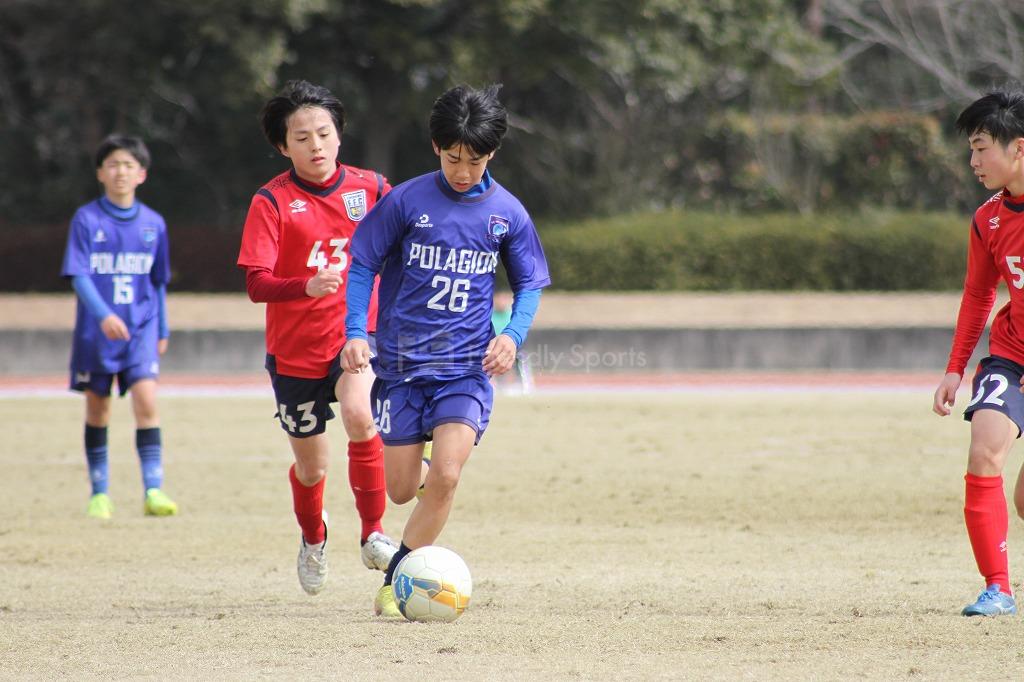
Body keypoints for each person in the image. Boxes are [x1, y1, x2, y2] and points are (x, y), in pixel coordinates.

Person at [341, 83, 551, 617]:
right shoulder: (406, 201)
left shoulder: (507, 213)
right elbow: (363, 265)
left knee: (448, 477)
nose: (463, 171)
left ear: (492, 153)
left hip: (465, 369)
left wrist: (512, 336)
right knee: (400, 490)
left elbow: (529, 283)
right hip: (402, 367)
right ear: (436, 146)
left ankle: (396, 579)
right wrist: (356, 331)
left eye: (475, 161)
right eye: (453, 158)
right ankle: (428, 469)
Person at [237, 80, 399, 595]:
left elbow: (409, 244)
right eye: (302, 138)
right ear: (283, 146)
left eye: (324, 133)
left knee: (360, 414)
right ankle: (313, 537)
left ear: (339, 135)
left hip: (355, 337)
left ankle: (373, 533)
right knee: (312, 468)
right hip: (294, 353)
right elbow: (256, 283)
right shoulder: (271, 201)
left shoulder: (372, 189)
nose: (316, 146)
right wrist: (303, 285)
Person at [933, 87, 1024, 617]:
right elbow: (977, 295)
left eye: (981, 148)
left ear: (1019, 148)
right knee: (984, 450)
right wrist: (955, 368)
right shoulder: (988, 219)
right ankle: (998, 589)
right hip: (1011, 356)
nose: (973, 161)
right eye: (971, 149)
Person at [60, 134, 177, 520]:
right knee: (99, 409)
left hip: (141, 330)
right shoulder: (86, 219)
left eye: (128, 165)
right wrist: (103, 315)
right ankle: (100, 494)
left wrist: (163, 328)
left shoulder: (154, 224)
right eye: (112, 165)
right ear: (100, 173)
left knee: (147, 402)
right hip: (96, 334)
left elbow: (158, 281)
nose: (120, 172)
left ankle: (153, 490)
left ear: (142, 174)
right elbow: (78, 275)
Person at [491, 290, 533, 394]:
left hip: (514, 345)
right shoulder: (491, 315)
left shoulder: (511, 315)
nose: (501, 302)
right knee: (495, 362)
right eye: (499, 299)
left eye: (503, 299)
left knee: (521, 358)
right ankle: (500, 386)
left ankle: (525, 385)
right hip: (496, 346)